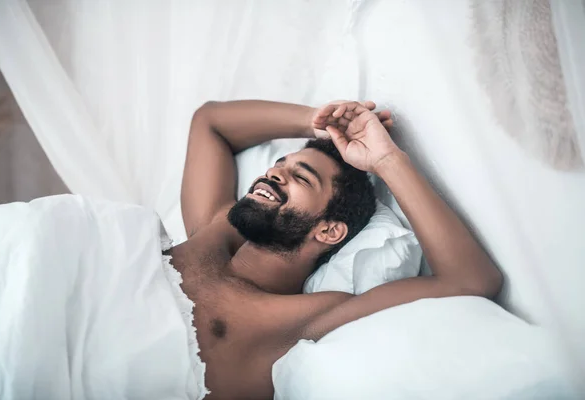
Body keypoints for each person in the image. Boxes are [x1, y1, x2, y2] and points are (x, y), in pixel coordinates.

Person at [168, 99, 502, 400]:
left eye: (301, 178)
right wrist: (320, 123)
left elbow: (470, 279)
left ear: (329, 230)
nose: (272, 173)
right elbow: (210, 121)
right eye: (279, 165)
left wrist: (386, 160)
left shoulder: (307, 319)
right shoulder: (213, 231)